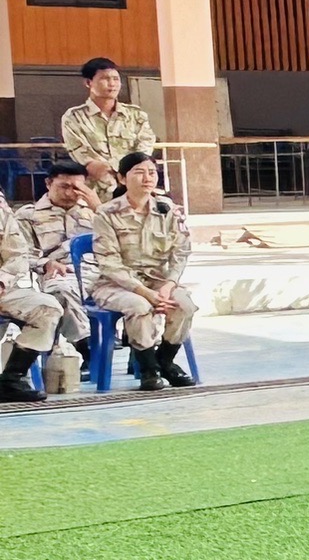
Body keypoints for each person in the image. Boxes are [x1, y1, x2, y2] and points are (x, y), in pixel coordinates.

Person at [95, 151, 195, 390]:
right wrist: (145, 293)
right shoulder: (106, 213)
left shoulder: (167, 209)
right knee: (139, 306)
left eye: (152, 172)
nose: (147, 178)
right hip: (115, 285)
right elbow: (109, 263)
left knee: (184, 305)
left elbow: (181, 251)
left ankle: (165, 362)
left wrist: (170, 284)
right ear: (122, 178)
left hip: (159, 282)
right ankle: (149, 371)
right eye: (139, 172)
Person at [16, 159, 103, 363]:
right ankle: (87, 350)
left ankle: (144, 360)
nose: (70, 193)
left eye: (77, 188)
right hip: (59, 273)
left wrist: (99, 208)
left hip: (99, 273)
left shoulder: (96, 212)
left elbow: (124, 241)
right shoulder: (29, 215)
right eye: (63, 186)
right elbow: (20, 253)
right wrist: (45, 263)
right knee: (60, 291)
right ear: (48, 184)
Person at [59, 57, 155, 200]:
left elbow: (144, 146)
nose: (112, 84)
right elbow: (82, 154)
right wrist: (111, 168)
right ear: (88, 82)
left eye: (116, 79)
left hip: (133, 188)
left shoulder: (136, 115)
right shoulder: (74, 117)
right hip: (94, 192)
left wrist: (126, 169)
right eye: (105, 79)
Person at [0, 207, 63, 402]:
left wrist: (2, 281)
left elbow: (17, 255)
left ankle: (12, 379)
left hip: (3, 288)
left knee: (48, 309)